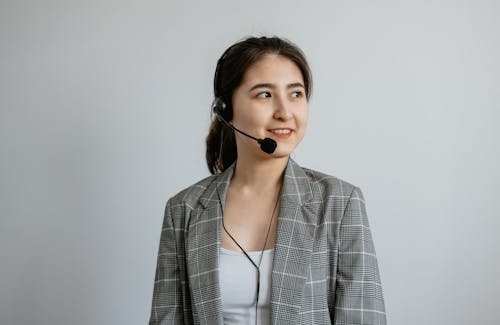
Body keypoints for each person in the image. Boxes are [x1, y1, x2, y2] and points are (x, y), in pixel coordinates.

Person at [149, 36, 386, 325]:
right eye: (265, 94)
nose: (285, 112)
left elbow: (363, 318)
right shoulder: (184, 209)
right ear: (226, 109)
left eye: (296, 94)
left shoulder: (340, 203)